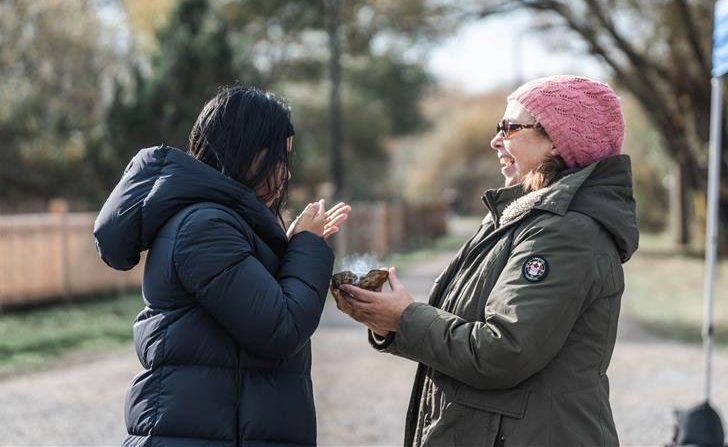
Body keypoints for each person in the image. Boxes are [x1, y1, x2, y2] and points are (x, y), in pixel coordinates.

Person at [333, 75, 639, 446]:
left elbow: (502, 352)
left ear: (558, 142)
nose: (496, 140)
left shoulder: (564, 232)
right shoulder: (519, 217)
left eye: (510, 128)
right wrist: (389, 322)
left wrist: (404, 318)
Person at [94, 85, 351, 446]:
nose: (286, 174)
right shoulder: (204, 226)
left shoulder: (222, 222)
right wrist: (307, 245)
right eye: (280, 158)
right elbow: (282, 327)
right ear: (247, 151)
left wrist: (292, 246)